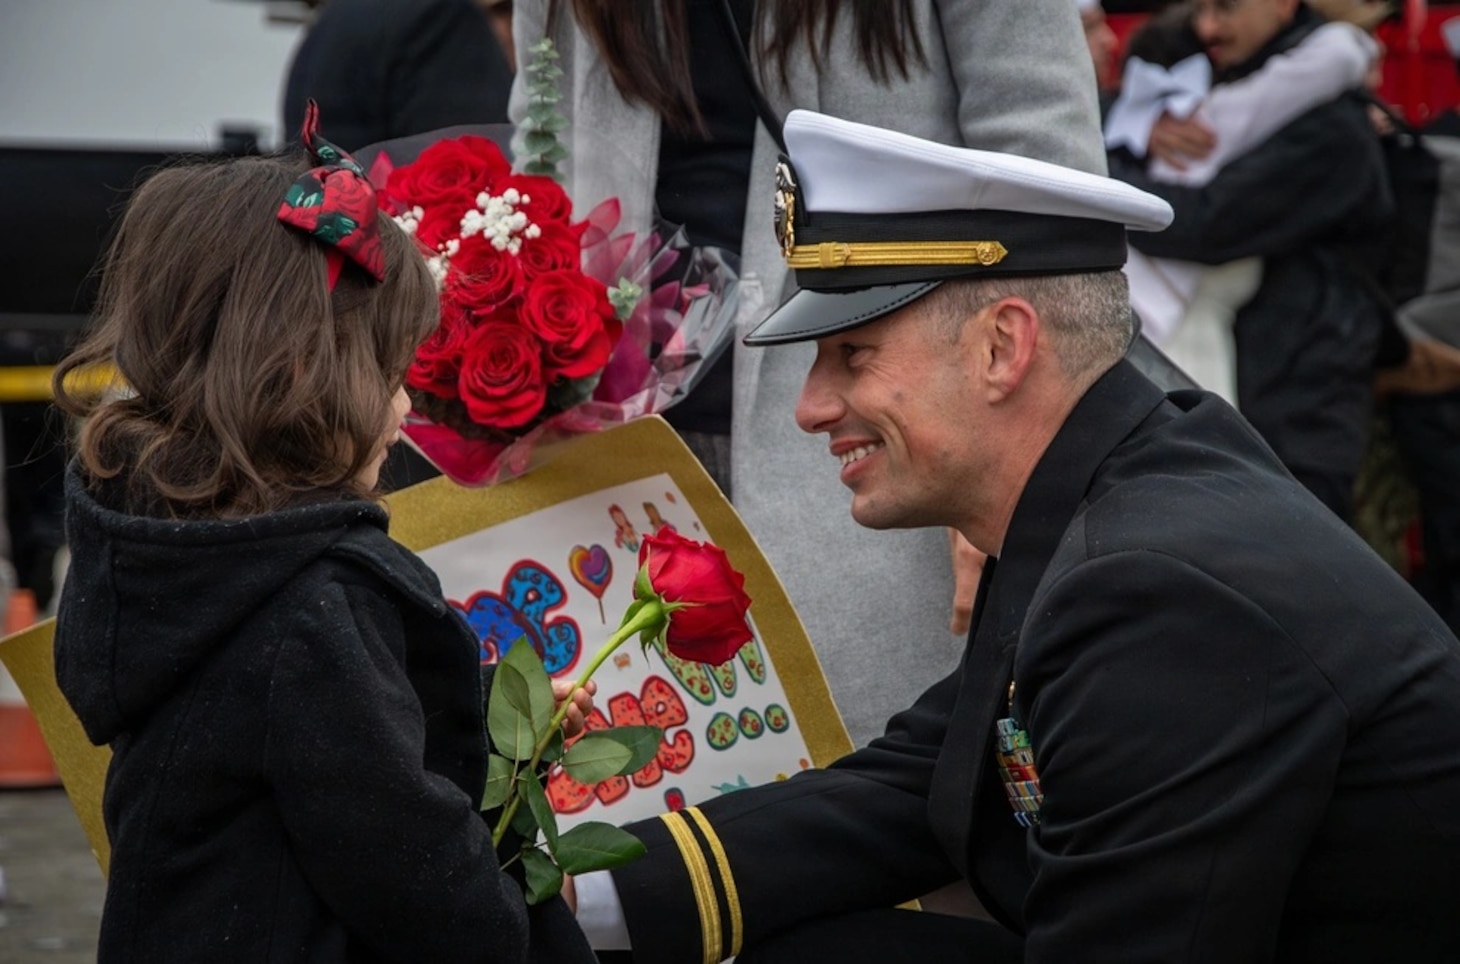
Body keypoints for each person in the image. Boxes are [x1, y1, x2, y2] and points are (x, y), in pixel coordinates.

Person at [573, 108, 1460, 963]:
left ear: (1002, 347)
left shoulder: (1155, 585)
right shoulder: (1130, 481)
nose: (811, 410)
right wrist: (562, 896)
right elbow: (924, 783)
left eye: (853, 355)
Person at [48, 108, 598, 963]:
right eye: (390, 374)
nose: (407, 405)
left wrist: (486, 711)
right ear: (305, 371)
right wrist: (527, 914)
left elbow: (293, 747)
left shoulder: (166, 557)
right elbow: (418, 875)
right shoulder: (316, 606)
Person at [510, 0, 1106, 749]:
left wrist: (1019, 453)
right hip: (615, 449)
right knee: (653, 790)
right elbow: (542, 151)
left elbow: (1049, 190)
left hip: (892, 432)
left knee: (885, 783)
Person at [1108, 0, 1396, 523]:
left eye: (1225, 7)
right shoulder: (1234, 80)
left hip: (1302, 395)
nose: (1207, 25)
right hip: (1264, 376)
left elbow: (1199, 224)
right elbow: (1125, 91)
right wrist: (1135, 122)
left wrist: (1101, 181)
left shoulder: (1329, 128)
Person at [281, 0, 514, 151]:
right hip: (384, 219)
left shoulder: (336, 13)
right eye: (505, 9)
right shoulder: (443, 15)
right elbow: (468, 155)